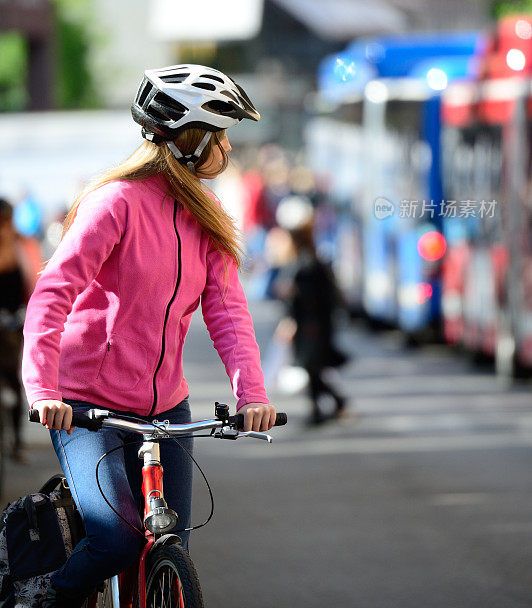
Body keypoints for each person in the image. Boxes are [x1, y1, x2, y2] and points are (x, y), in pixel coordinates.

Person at [22, 65, 277, 608]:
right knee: (115, 540)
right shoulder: (115, 203)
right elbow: (53, 294)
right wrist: (44, 390)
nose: (229, 148)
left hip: (166, 406)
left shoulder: (207, 217)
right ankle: (43, 601)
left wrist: (251, 394)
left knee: (169, 544)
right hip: (85, 404)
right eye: (221, 135)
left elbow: (229, 312)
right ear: (192, 140)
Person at [275, 195, 348, 426]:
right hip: (315, 324)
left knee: (312, 367)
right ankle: (331, 405)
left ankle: (326, 407)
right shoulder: (310, 258)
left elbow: (308, 298)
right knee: (313, 369)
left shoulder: (305, 262)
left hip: (311, 325)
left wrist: (292, 314)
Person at [0, 198, 41, 461]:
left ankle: (16, 440)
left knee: (13, 380)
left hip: (13, 324)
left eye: (7, 221)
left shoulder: (23, 245)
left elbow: (37, 285)